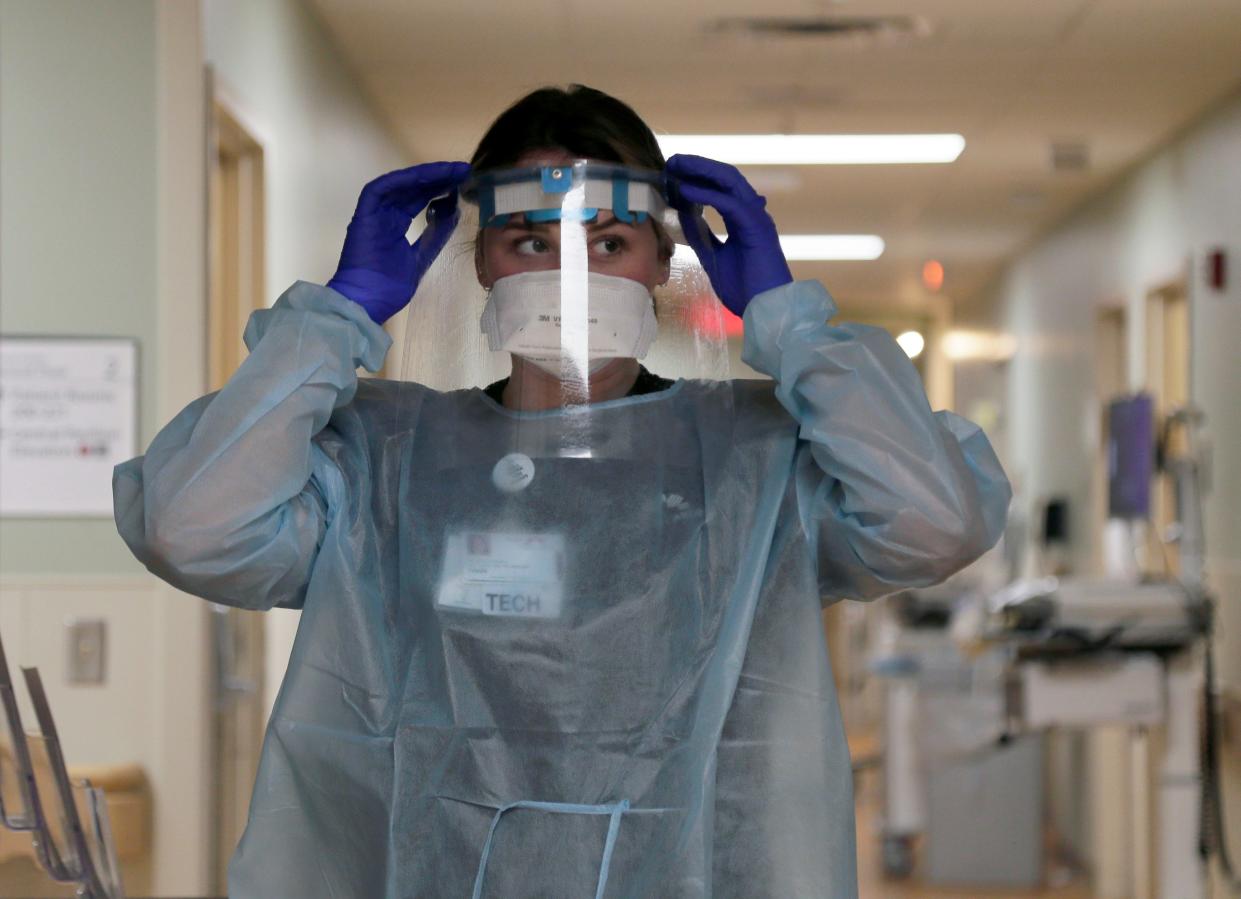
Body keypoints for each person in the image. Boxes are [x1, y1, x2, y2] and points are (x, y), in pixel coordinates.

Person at [115, 85, 1010, 898]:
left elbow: (932, 522)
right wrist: (338, 313)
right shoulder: (385, 459)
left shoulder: (756, 457)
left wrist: (788, 319)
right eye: (530, 241)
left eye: (608, 244)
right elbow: (193, 527)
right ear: (481, 265)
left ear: (663, 262)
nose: (566, 275)